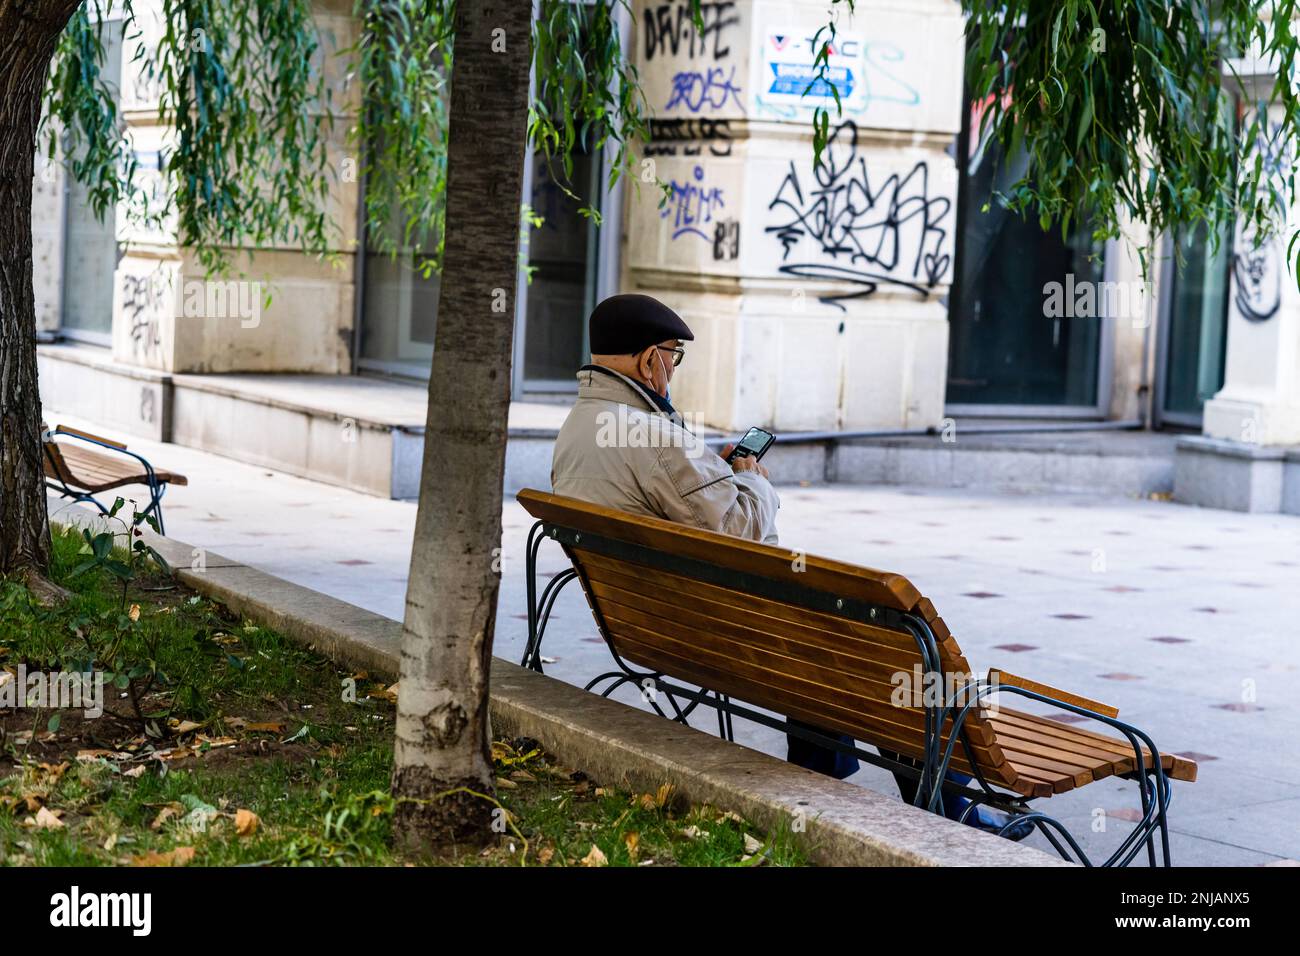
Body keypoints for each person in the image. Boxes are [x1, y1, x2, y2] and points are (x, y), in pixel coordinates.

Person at [551, 293, 1026, 839]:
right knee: (879, 650)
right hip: (726, 635)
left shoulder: (579, 426)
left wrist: (716, 475)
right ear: (649, 359)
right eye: (673, 357)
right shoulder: (651, 433)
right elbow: (737, 529)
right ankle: (947, 808)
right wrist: (752, 478)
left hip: (651, 625)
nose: (672, 371)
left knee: (832, 650)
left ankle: (822, 785)